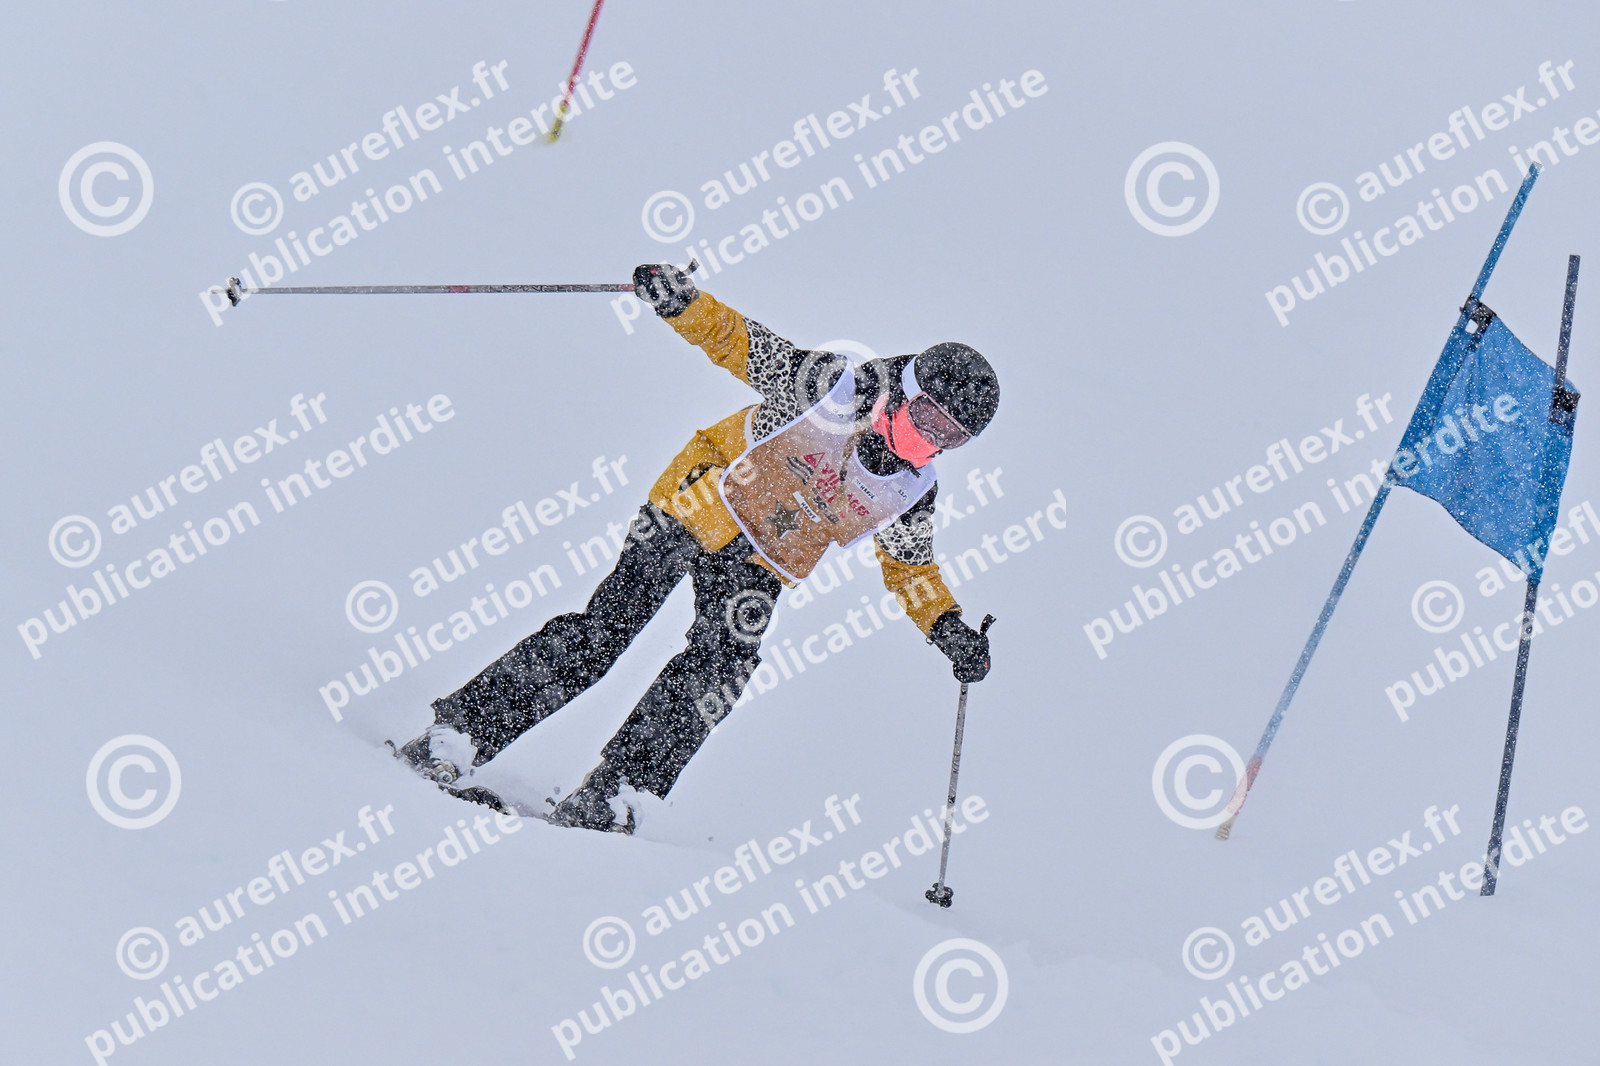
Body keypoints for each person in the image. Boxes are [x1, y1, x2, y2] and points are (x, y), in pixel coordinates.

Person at [393, 262, 1000, 831]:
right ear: (905, 389)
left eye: (949, 436)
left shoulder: (910, 490)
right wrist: (682, 304)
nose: (928, 439)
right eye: (927, 416)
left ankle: (615, 792)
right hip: (697, 505)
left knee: (721, 670)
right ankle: (460, 734)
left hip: (763, 561)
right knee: (607, 629)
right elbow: (742, 344)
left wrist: (946, 626)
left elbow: (910, 568)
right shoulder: (834, 387)